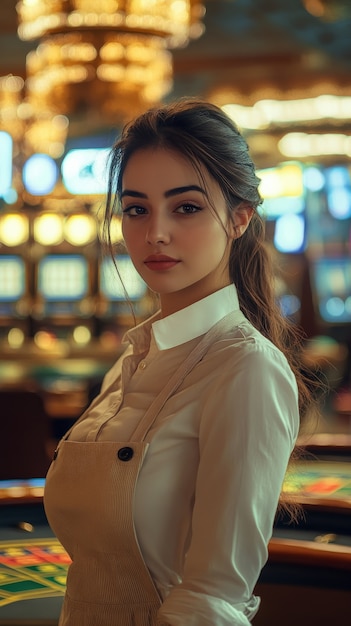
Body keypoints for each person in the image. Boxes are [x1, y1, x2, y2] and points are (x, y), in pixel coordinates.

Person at [44, 98, 315, 626]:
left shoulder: (247, 370)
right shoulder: (131, 359)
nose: (155, 233)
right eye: (136, 208)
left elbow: (211, 602)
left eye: (185, 207)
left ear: (239, 218)